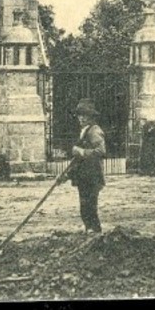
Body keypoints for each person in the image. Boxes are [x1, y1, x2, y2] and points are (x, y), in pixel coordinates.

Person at [69, 98, 106, 234]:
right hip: (83, 175)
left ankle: (95, 231)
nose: (82, 118)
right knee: (84, 206)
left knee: (90, 206)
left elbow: (101, 151)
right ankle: (89, 228)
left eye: (85, 115)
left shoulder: (94, 131)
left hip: (92, 175)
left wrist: (82, 152)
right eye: (80, 115)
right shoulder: (84, 131)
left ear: (91, 117)